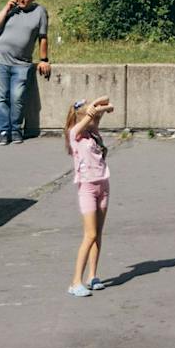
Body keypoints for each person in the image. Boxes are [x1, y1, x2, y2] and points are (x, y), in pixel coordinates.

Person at [0, 0, 52, 145]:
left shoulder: (39, 12)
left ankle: (15, 129)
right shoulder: (11, 10)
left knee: (17, 98)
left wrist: (44, 60)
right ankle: (3, 130)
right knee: (1, 98)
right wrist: (6, 8)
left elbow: (42, 37)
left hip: (21, 64)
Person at [65, 97, 115, 297]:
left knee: (98, 234)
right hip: (87, 187)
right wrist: (90, 112)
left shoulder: (94, 134)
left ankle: (92, 276)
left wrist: (97, 105)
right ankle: (75, 281)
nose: (96, 122)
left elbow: (107, 102)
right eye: (92, 119)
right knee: (90, 234)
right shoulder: (75, 135)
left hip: (103, 184)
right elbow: (90, 117)